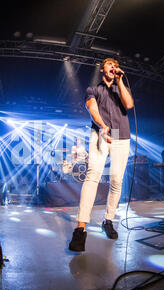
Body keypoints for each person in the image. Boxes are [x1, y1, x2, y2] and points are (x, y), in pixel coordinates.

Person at [68, 57, 134, 252]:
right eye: (109, 64)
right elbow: (92, 108)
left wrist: (120, 81)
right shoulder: (93, 89)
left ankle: (108, 219)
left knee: (116, 180)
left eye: (115, 64)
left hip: (121, 134)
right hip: (101, 131)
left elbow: (128, 104)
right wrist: (103, 126)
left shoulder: (120, 87)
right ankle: (81, 228)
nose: (113, 67)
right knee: (93, 175)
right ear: (102, 68)